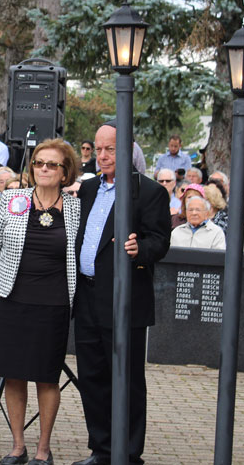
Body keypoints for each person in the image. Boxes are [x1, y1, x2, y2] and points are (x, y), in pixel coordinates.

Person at [72, 122, 170, 465]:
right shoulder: (86, 189)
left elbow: (160, 241)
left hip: (124, 299)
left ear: (127, 149)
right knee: (92, 377)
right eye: (98, 149)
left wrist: (138, 249)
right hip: (86, 296)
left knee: (126, 380)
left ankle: (127, 454)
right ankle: (101, 450)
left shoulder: (150, 191)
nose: (102, 155)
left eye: (110, 149)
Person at [0, 138, 80, 465]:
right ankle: (18, 446)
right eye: (39, 163)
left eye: (52, 164)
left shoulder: (78, 206)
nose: (44, 169)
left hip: (55, 304)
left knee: (47, 376)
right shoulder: (11, 199)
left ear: (65, 172)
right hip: (12, 298)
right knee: (13, 373)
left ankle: (43, 450)